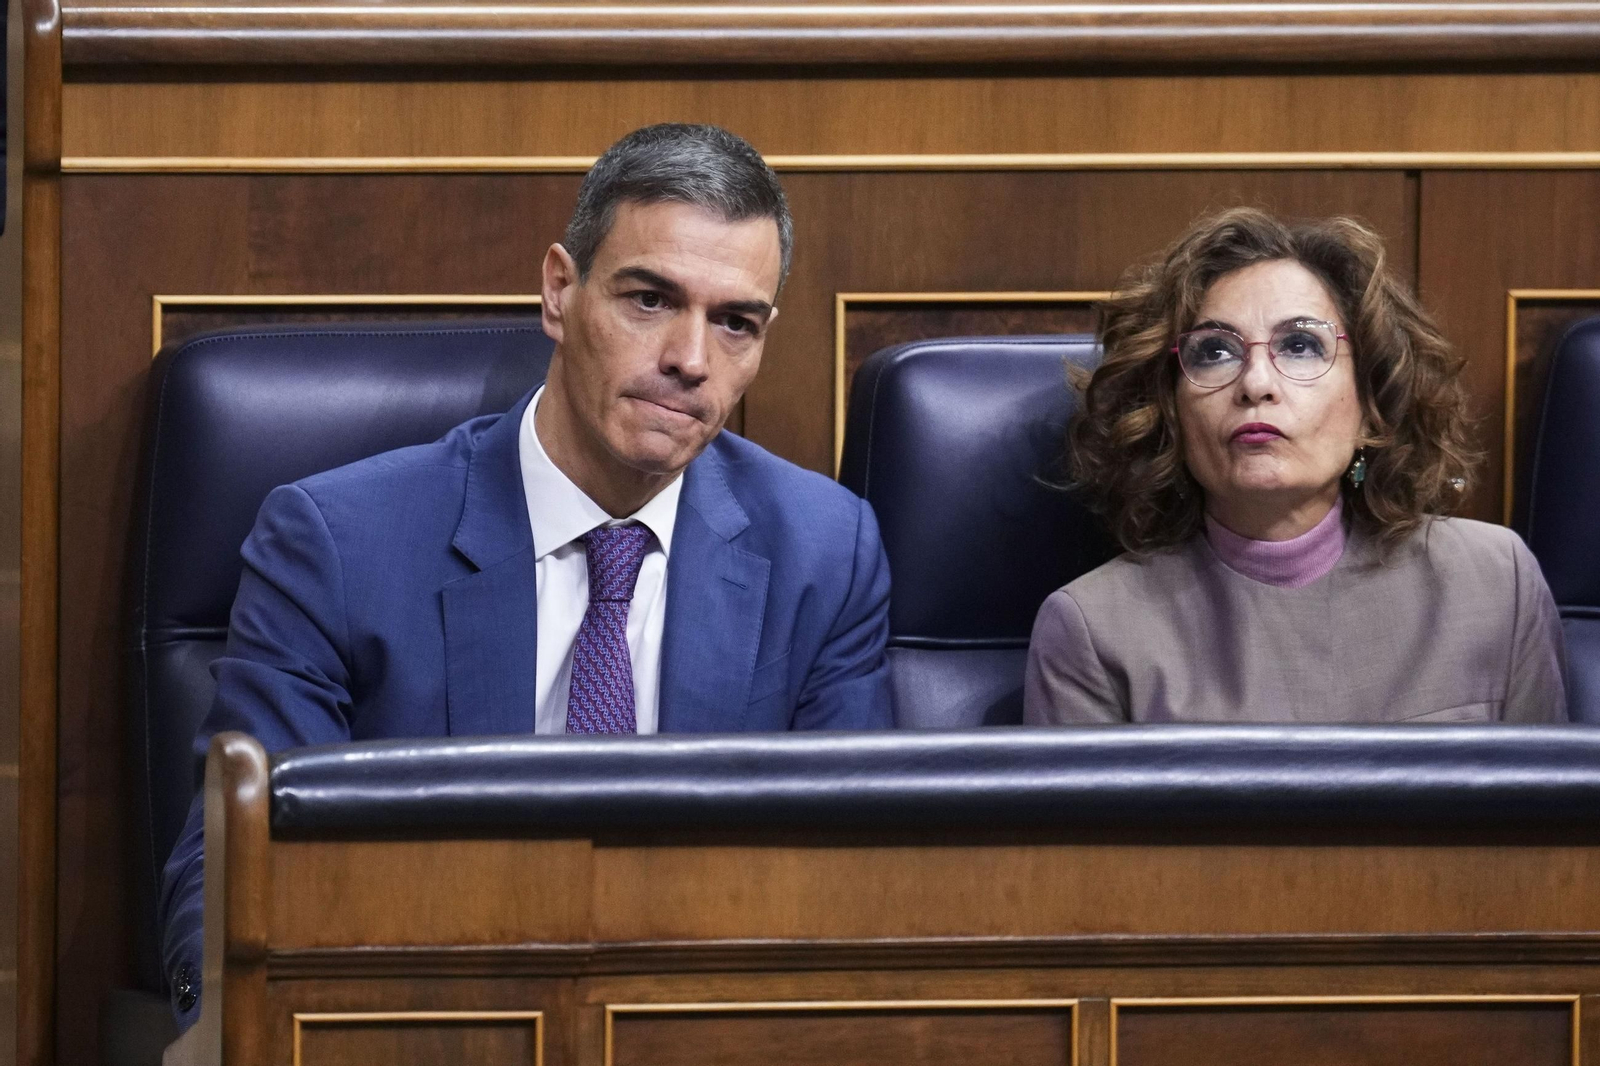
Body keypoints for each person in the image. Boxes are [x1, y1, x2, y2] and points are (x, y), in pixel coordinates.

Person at [159, 123, 893, 1027]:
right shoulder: (339, 543)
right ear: (559, 291)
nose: (691, 361)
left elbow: (855, 888)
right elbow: (232, 873)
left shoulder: (826, 551)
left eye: (734, 322)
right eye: (650, 299)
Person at [1024, 207, 1567, 725]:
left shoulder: (1495, 582)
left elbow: (1545, 820)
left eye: (1302, 345)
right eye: (1214, 351)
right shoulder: (1092, 631)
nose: (1256, 383)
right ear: (1170, 411)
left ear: (1370, 403)